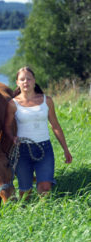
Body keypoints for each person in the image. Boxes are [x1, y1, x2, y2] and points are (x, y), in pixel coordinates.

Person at [5, 66, 72, 199]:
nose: (26, 82)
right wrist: (12, 138)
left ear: (34, 80)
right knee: (25, 192)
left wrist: (66, 149)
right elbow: (6, 126)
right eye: (22, 79)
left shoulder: (47, 101)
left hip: (45, 149)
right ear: (17, 82)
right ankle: (26, 215)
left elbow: (56, 126)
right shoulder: (13, 104)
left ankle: (44, 213)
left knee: (45, 186)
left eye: (29, 79)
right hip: (22, 150)